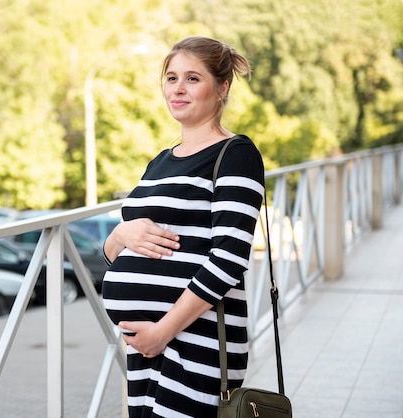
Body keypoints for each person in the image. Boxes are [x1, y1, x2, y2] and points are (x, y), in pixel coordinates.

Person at [101, 36, 265, 417]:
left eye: (193, 78)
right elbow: (116, 254)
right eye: (171, 77)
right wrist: (118, 235)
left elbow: (228, 260)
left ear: (222, 88)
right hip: (145, 343)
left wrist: (163, 331)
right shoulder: (160, 161)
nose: (177, 88)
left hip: (195, 340)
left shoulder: (236, 154)